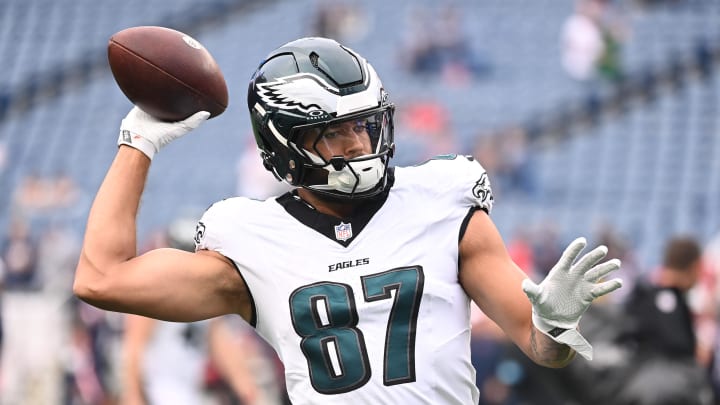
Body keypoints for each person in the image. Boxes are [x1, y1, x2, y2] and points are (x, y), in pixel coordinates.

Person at [73, 37, 623, 404]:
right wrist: (139, 139)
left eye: (365, 125)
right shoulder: (251, 240)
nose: (359, 143)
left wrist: (554, 326)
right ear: (285, 146)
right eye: (335, 131)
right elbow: (100, 278)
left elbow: (542, 349)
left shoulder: (444, 201)